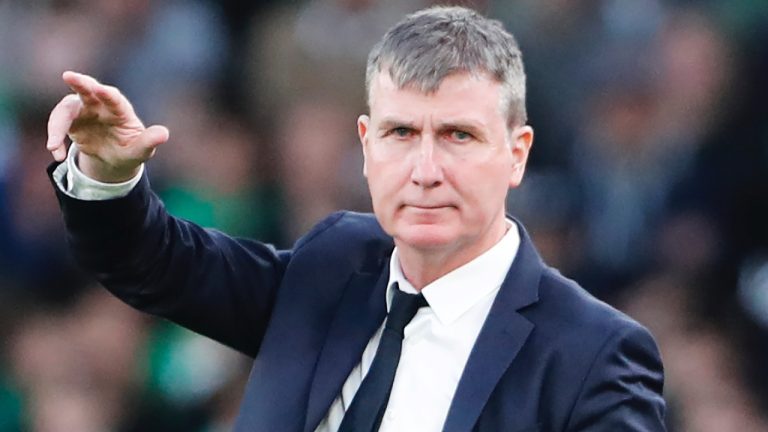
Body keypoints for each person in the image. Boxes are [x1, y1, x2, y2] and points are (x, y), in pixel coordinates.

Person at [45, 6, 666, 432]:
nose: (425, 169)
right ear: (366, 146)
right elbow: (153, 263)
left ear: (517, 154)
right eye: (401, 133)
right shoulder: (333, 262)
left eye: (457, 135)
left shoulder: (594, 352)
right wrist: (107, 170)